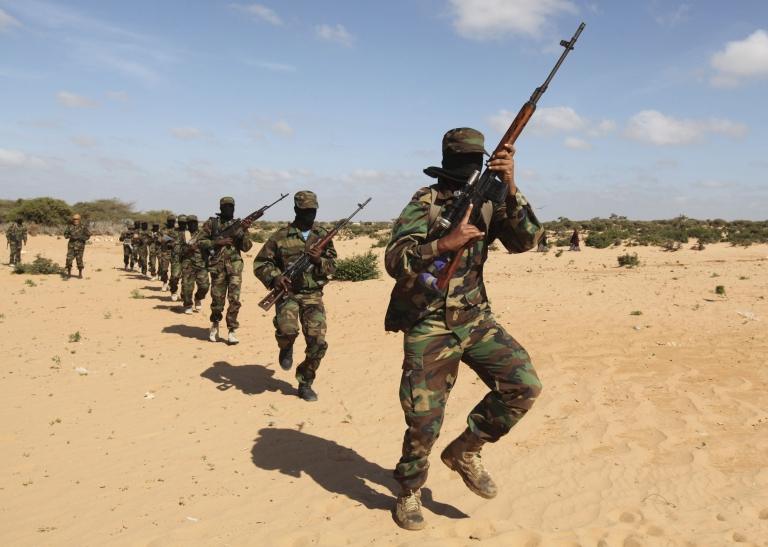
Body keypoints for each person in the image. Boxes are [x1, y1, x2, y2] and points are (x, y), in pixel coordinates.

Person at [384, 128, 543, 530]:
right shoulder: (427, 201)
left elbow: (528, 241)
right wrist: (443, 244)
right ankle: (408, 490)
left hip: (474, 317)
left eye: (478, 159)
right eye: (465, 160)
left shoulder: (491, 200)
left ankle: (466, 450)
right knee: (423, 419)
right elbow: (394, 260)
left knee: (524, 386)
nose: (472, 166)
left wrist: (511, 185)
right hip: (428, 323)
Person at [254, 191, 337, 402]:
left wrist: (319, 262)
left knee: (318, 342)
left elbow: (333, 267)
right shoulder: (280, 236)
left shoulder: (323, 236)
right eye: (305, 211)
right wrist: (275, 278)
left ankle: (305, 382)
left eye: (313, 211)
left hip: (312, 295)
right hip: (288, 293)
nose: (310, 215)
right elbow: (261, 263)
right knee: (287, 329)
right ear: (296, 210)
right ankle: (286, 346)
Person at [197, 197, 252, 344]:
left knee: (234, 300)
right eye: (226, 206)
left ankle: (232, 330)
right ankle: (215, 324)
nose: (229, 209)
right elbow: (200, 242)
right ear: (220, 208)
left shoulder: (238, 225)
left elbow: (247, 247)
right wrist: (217, 242)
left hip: (234, 267)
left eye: (231, 206)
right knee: (217, 300)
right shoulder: (212, 223)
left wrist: (244, 231)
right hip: (217, 267)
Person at [180, 215, 210, 315]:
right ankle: (188, 305)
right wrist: (188, 249)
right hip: (188, 264)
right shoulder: (183, 234)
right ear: (188, 224)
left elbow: (210, 245)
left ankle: (198, 298)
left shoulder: (203, 234)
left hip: (202, 264)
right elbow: (177, 250)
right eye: (190, 223)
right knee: (187, 287)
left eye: (194, 222)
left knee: (204, 286)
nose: (193, 224)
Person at [64, 213, 91, 279]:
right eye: (74, 219)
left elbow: (88, 235)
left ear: (79, 219)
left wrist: (82, 238)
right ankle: (69, 274)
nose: (75, 220)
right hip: (71, 246)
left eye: (77, 219)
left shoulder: (83, 227)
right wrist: (71, 236)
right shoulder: (69, 227)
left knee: (79, 260)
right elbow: (65, 235)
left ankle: (80, 274)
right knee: (68, 259)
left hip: (80, 246)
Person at [169, 215, 188, 301]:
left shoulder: (189, 232)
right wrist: (170, 244)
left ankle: (184, 295)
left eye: (184, 223)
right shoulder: (172, 232)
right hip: (176, 259)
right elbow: (165, 243)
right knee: (174, 277)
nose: (182, 224)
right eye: (181, 223)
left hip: (187, 260)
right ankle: (174, 291)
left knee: (186, 279)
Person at [158, 214, 176, 291]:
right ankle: (165, 283)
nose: (171, 222)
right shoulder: (163, 230)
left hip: (175, 253)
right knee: (164, 270)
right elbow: (159, 240)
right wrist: (165, 239)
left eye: (173, 221)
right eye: (170, 221)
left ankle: (170, 284)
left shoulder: (178, 230)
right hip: (165, 252)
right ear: (167, 221)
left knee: (175, 271)